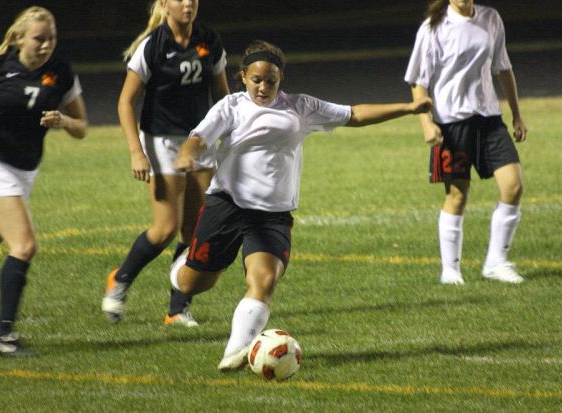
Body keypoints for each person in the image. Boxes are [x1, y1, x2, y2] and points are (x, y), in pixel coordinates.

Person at [168, 40, 432, 371]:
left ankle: (236, 352)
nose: (263, 88)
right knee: (194, 283)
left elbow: (354, 114)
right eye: (256, 80)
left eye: (271, 81)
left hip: (272, 216)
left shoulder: (300, 107)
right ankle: (182, 264)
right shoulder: (231, 107)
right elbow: (199, 139)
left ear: (280, 79)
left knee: (264, 280)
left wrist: (408, 108)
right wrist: (186, 155)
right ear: (243, 76)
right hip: (227, 206)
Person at [0, 6, 88, 356]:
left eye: (51, 39)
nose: (46, 45)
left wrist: (64, 121)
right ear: (20, 38)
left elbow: (82, 126)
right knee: (24, 246)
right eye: (39, 39)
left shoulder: (61, 72)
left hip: (24, 172)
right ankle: (4, 337)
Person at [101, 0, 230, 326]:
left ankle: (177, 309)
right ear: (164, 4)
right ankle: (120, 280)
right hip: (161, 141)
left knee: (195, 230)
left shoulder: (210, 40)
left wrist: (229, 137)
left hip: (199, 139)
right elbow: (125, 102)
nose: (187, 3)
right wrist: (136, 151)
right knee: (165, 229)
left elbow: (223, 96)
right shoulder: (153, 46)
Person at [404, 0, 528, 285]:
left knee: (513, 186)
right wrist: (426, 123)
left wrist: (517, 115)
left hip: (489, 119)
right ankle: (450, 271)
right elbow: (418, 82)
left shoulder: (491, 18)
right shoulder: (433, 27)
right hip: (451, 124)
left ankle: (496, 263)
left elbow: (503, 68)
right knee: (457, 196)